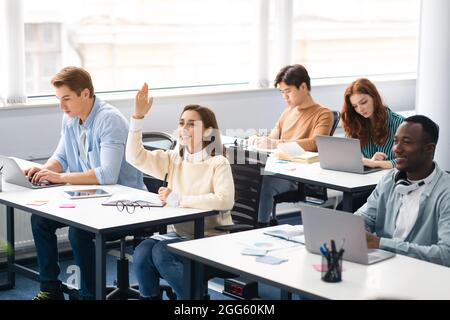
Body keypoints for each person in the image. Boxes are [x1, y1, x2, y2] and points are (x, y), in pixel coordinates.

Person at [26, 66, 145, 300]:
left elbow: (107, 175)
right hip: (90, 198)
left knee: (78, 232)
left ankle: (90, 295)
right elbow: (60, 157)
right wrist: (43, 170)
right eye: (59, 99)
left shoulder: (108, 119)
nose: (62, 106)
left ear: (86, 94)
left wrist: (60, 178)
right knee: (40, 220)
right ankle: (50, 289)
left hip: (124, 204)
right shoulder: (70, 118)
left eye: (66, 99)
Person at [127, 83, 234, 299]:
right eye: (181, 123)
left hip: (210, 237)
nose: (184, 128)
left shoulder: (218, 162)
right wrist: (137, 117)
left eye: (191, 124)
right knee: (141, 252)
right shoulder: (174, 159)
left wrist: (179, 199)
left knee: (161, 253)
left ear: (207, 131)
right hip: (181, 234)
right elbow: (134, 157)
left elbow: (224, 201)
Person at [356, 115, 450, 267]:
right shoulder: (389, 180)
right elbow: (365, 216)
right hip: (383, 267)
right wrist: (352, 228)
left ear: (429, 148)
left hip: (423, 275)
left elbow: (446, 255)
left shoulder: (446, 192)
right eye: (395, 141)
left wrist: (380, 243)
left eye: (406, 142)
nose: (397, 149)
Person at [250, 64, 333, 225]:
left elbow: (315, 143)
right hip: (278, 167)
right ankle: (241, 225)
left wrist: (274, 144)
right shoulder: (288, 112)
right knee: (247, 177)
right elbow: (272, 138)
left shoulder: (323, 114)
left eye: (288, 91)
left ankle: (259, 228)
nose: (284, 97)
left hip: (296, 175)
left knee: (263, 183)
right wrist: (258, 140)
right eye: (282, 92)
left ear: (303, 87)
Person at [341, 78, 405, 169]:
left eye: (363, 102)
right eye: (355, 106)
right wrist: (370, 161)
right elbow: (349, 156)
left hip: (393, 179)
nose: (360, 109)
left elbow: (406, 161)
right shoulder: (356, 124)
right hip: (367, 179)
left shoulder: (400, 123)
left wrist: (375, 164)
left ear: (374, 97)